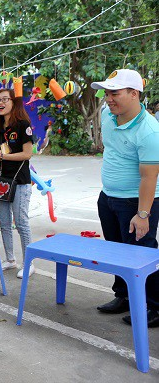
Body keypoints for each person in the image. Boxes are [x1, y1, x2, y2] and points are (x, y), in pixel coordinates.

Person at [91, 69, 159, 327]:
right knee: (116, 250)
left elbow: (149, 178)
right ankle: (124, 296)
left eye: (114, 93)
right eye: (107, 93)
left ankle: (155, 306)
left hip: (135, 202)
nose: (108, 98)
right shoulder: (109, 114)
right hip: (108, 197)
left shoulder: (150, 131)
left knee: (142, 254)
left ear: (134, 94)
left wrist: (143, 215)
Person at [0, 88, 34, 279]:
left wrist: (3, 155)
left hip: (20, 181)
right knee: (4, 223)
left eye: (5, 99)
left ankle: (29, 263)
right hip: (2, 181)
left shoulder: (23, 125)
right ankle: (10, 260)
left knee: (21, 223)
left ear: (14, 102)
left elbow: (27, 154)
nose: (0, 103)